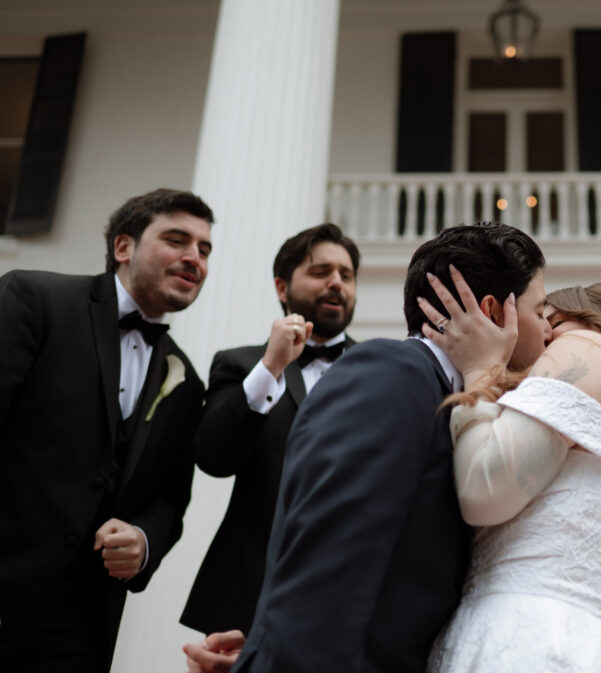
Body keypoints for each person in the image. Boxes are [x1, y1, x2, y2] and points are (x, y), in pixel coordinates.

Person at [185, 222, 551, 673]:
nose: (549, 330)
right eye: (542, 310)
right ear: (495, 313)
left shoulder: (442, 397)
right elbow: (329, 565)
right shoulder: (391, 373)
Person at [417, 278, 601, 673]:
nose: (539, 333)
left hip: (531, 644)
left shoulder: (584, 346)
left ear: (581, 318)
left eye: (545, 317)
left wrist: (482, 369)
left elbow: (483, 488)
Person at [0, 188, 213, 673]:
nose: (193, 258)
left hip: (83, 620)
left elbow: (171, 498)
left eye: (204, 249)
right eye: (177, 239)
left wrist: (144, 540)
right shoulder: (35, 299)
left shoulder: (186, 378)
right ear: (124, 247)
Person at [180, 223, 360, 636]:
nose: (336, 282)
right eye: (321, 271)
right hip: (252, 592)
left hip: (349, 590)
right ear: (282, 287)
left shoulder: (381, 370)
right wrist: (270, 367)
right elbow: (214, 458)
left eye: (346, 276)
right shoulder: (241, 365)